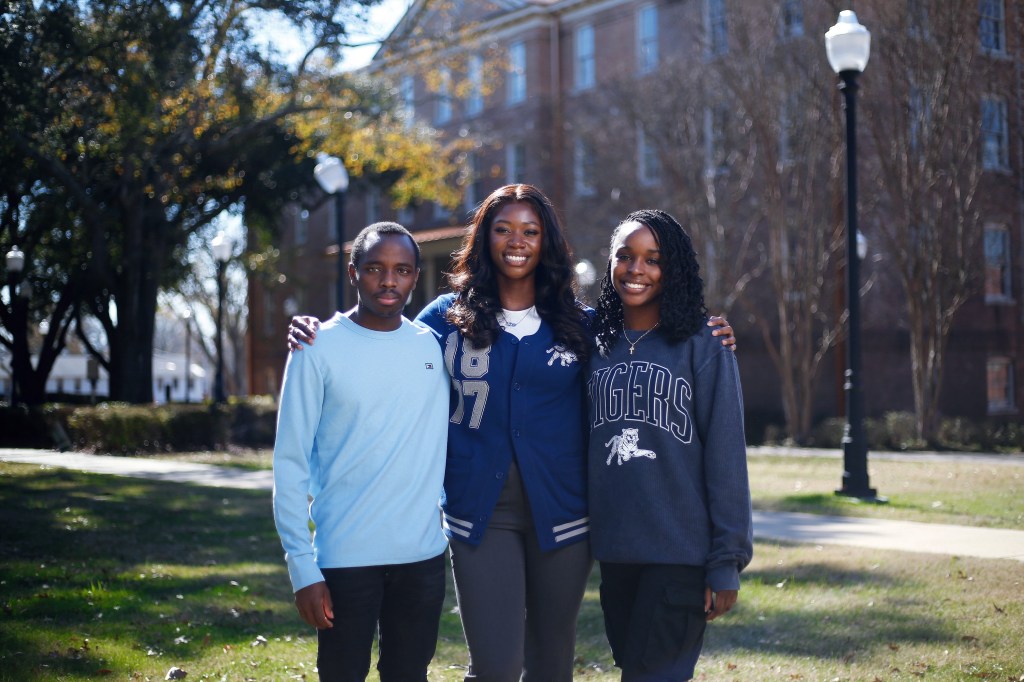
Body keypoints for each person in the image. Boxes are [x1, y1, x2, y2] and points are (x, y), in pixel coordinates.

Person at [287, 185, 737, 681]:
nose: (516, 241)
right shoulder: (443, 320)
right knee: (496, 668)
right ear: (484, 238)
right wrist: (319, 332)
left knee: (550, 665)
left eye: (530, 231)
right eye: (502, 229)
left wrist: (707, 331)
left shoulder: (582, 324)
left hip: (565, 517)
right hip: (480, 517)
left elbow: (643, 338)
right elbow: (383, 339)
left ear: (546, 241)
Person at [272, 222, 450, 682]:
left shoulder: (432, 346)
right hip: (344, 559)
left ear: (415, 277)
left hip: (422, 559)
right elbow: (289, 465)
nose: (389, 281)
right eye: (374, 268)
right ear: (353, 273)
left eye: (402, 270)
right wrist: (302, 569)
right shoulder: (315, 347)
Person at [586, 209, 753, 682]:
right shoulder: (593, 342)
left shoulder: (705, 344)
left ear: (671, 267)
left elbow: (726, 458)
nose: (636, 269)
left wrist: (726, 561)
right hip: (617, 554)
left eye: (653, 259)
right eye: (625, 256)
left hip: (680, 554)